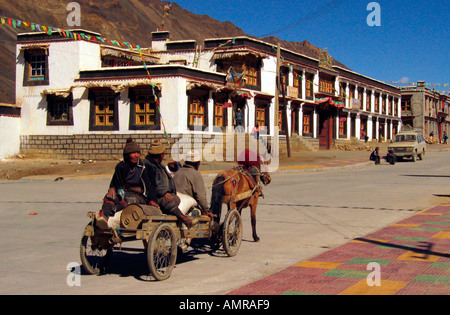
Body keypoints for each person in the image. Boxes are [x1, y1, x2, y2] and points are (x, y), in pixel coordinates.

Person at [97, 137, 158, 229]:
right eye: (133, 153)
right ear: (127, 155)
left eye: (137, 153)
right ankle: (104, 217)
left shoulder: (144, 167)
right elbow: (115, 182)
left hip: (138, 195)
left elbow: (150, 186)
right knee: (110, 197)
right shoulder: (121, 167)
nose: (136, 155)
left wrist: (152, 200)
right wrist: (112, 189)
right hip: (122, 192)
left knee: (130, 200)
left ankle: (112, 211)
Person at [145, 139, 198, 228]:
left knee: (176, 199)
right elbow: (152, 183)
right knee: (169, 201)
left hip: (161, 194)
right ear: (161, 155)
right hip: (153, 195)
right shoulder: (149, 166)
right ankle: (183, 218)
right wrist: (164, 193)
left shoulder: (158, 165)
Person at [173, 150, 213, 219]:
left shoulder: (177, 173)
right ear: (198, 164)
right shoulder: (196, 175)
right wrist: (206, 210)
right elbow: (200, 197)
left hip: (174, 206)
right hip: (187, 209)